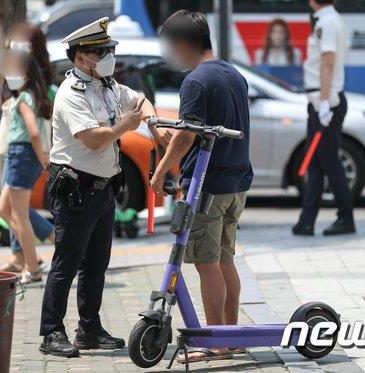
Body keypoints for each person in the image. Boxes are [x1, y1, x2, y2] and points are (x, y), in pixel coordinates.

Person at [39, 17, 166, 358]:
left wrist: (152, 124)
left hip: (103, 188)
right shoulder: (70, 95)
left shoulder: (106, 84)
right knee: (66, 262)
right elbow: (93, 140)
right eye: (102, 52)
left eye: (109, 50)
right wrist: (126, 125)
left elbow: (140, 101)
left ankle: (89, 329)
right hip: (75, 189)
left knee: (96, 263)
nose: (108, 56)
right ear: (81, 58)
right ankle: (51, 332)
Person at [151, 10, 253, 363]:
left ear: (182, 44)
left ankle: (215, 342)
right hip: (236, 183)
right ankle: (230, 335)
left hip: (208, 186)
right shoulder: (233, 73)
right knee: (225, 260)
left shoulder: (196, 82)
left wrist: (161, 170)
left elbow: (186, 134)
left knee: (206, 264)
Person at [292, 0, 355, 236]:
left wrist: (326, 102)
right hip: (322, 101)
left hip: (325, 101)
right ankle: (307, 220)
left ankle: (346, 218)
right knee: (317, 163)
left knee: (328, 160)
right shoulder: (331, 20)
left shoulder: (327, 23)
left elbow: (328, 62)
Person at [0, 23, 56, 273]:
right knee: (4, 208)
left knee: (19, 215)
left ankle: (30, 264)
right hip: (18, 153)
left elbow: (34, 131)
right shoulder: (25, 93)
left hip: (23, 154)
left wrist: (42, 154)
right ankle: (27, 255)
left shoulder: (25, 96)